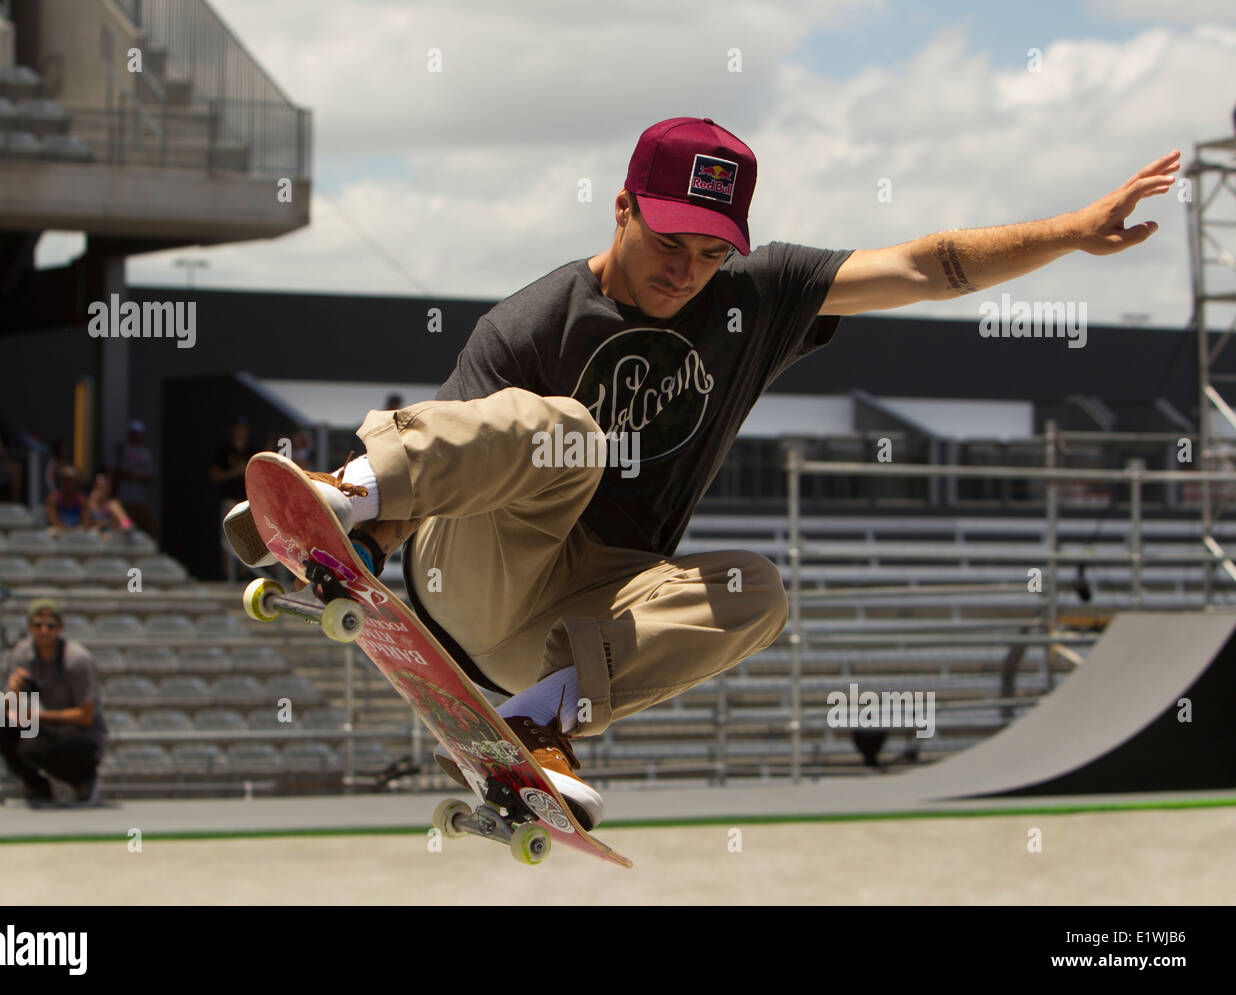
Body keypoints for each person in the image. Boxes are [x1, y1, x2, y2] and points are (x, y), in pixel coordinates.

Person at [225, 117, 1178, 829]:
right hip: (469, 573)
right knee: (566, 433)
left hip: (566, 623)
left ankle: (536, 723)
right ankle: (341, 498)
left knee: (757, 591)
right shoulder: (531, 323)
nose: (688, 271)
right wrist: (354, 552)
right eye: (667, 243)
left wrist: (1071, 231)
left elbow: (927, 266)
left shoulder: (758, 299)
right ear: (623, 207)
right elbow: (452, 461)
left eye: (712, 250)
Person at [0, 599, 107, 807]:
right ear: (29, 627)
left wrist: (38, 717)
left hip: (80, 733)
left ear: (60, 628)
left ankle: (82, 781)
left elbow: (86, 715)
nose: (43, 631)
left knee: (31, 747)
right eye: (38, 624)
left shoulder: (77, 660)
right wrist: (12, 693)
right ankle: (37, 786)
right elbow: (9, 709)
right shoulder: (23, 654)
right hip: (44, 727)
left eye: (50, 625)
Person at [210, 419, 251, 578]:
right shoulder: (224, 450)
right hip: (230, 500)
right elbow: (214, 475)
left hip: (247, 501)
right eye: (239, 428)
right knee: (228, 538)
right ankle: (228, 575)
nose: (242, 431)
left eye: (244, 428)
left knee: (247, 538)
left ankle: (243, 574)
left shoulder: (251, 450)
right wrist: (235, 471)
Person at [113, 420, 156, 536]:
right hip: (124, 500)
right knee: (125, 529)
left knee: (147, 532)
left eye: (137, 433)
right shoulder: (121, 451)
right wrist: (124, 474)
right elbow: (112, 471)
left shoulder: (146, 453)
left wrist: (135, 476)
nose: (135, 435)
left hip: (140, 500)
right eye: (133, 433)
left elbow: (150, 476)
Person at [44, 465, 90, 532]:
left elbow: (86, 521)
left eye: (71, 481)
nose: (68, 484)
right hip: (59, 530)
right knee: (51, 530)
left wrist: (77, 529)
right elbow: (52, 519)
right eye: (66, 480)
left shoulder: (82, 500)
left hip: (77, 531)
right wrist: (66, 529)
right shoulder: (53, 499)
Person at [87, 467, 133, 534]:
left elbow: (127, 524)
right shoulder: (90, 502)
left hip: (112, 538)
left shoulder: (113, 504)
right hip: (94, 539)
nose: (100, 488)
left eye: (104, 485)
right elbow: (86, 523)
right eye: (98, 485)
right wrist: (93, 501)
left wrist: (116, 523)